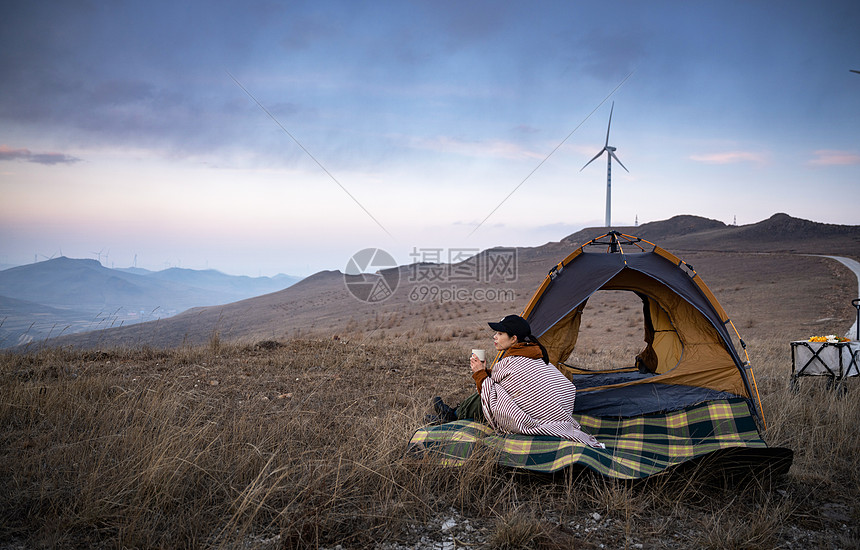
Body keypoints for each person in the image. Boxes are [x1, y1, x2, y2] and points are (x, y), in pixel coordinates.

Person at [431, 314, 604, 449]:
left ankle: (451, 416)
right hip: (556, 412)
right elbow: (507, 381)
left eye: (500, 333)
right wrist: (483, 371)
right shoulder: (532, 353)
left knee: (487, 394)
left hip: (538, 417)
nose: (494, 337)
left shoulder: (514, 360)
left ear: (514, 339)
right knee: (490, 386)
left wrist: (479, 373)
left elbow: (493, 388)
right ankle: (451, 412)